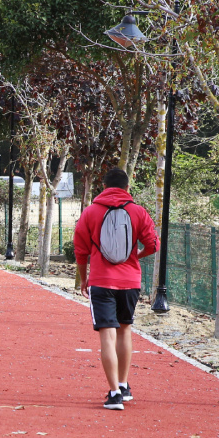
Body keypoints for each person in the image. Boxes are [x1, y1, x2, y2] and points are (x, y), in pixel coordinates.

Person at [73, 167, 158, 410]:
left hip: (101, 281)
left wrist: (83, 279)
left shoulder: (90, 212)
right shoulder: (138, 211)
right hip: (130, 281)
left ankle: (113, 394)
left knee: (106, 336)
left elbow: (80, 249)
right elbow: (153, 243)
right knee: (124, 331)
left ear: (104, 186)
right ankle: (124, 385)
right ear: (127, 187)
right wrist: (136, 257)